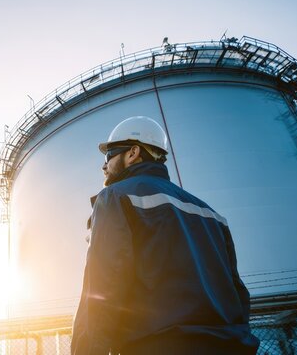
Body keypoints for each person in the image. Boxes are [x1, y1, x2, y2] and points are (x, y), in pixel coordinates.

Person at [71, 116, 259, 355]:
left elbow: (103, 287)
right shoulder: (211, 214)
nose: (104, 165)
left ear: (133, 153)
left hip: (156, 345)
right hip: (228, 345)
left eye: (109, 155)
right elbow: (237, 293)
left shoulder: (116, 197)